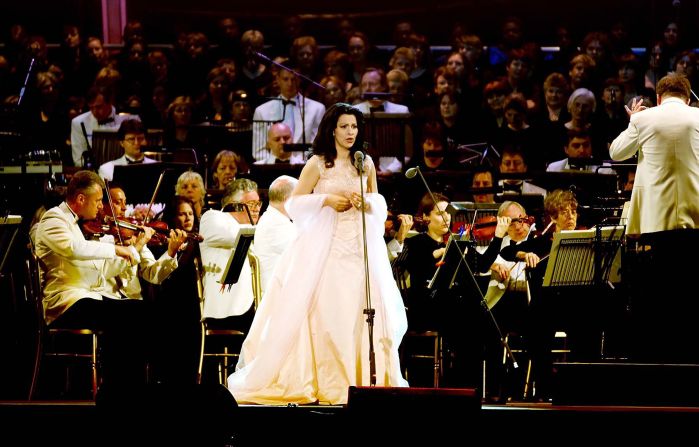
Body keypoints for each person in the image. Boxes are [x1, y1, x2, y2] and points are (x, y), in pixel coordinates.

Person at [227, 103, 408, 404]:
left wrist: (368, 205)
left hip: (360, 247)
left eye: (354, 127)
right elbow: (295, 204)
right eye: (345, 127)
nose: (351, 133)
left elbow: (379, 201)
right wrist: (326, 199)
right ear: (332, 130)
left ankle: (366, 379)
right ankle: (333, 382)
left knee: (367, 311)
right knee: (331, 311)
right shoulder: (318, 163)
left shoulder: (366, 164)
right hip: (329, 245)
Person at [33, 170, 154, 393]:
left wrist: (134, 249)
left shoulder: (74, 224)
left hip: (84, 298)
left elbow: (100, 271)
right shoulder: (53, 219)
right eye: (98, 200)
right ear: (81, 199)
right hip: (65, 303)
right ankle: (121, 389)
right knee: (131, 315)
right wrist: (115, 248)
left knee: (139, 311)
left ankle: (127, 388)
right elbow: (73, 249)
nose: (101, 207)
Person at [610, 73, 699, 363]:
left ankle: (657, 354)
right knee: (689, 290)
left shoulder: (643, 119)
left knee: (659, 290)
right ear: (688, 97)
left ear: (658, 97)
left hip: (654, 220)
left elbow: (617, 153)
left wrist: (632, 120)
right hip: (695, 216)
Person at [253, 175, 298, 292]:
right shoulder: (275, 224)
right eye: (299, 198)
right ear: (287, 198)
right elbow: (304, 254)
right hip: (277, 295)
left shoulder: (274, 218)